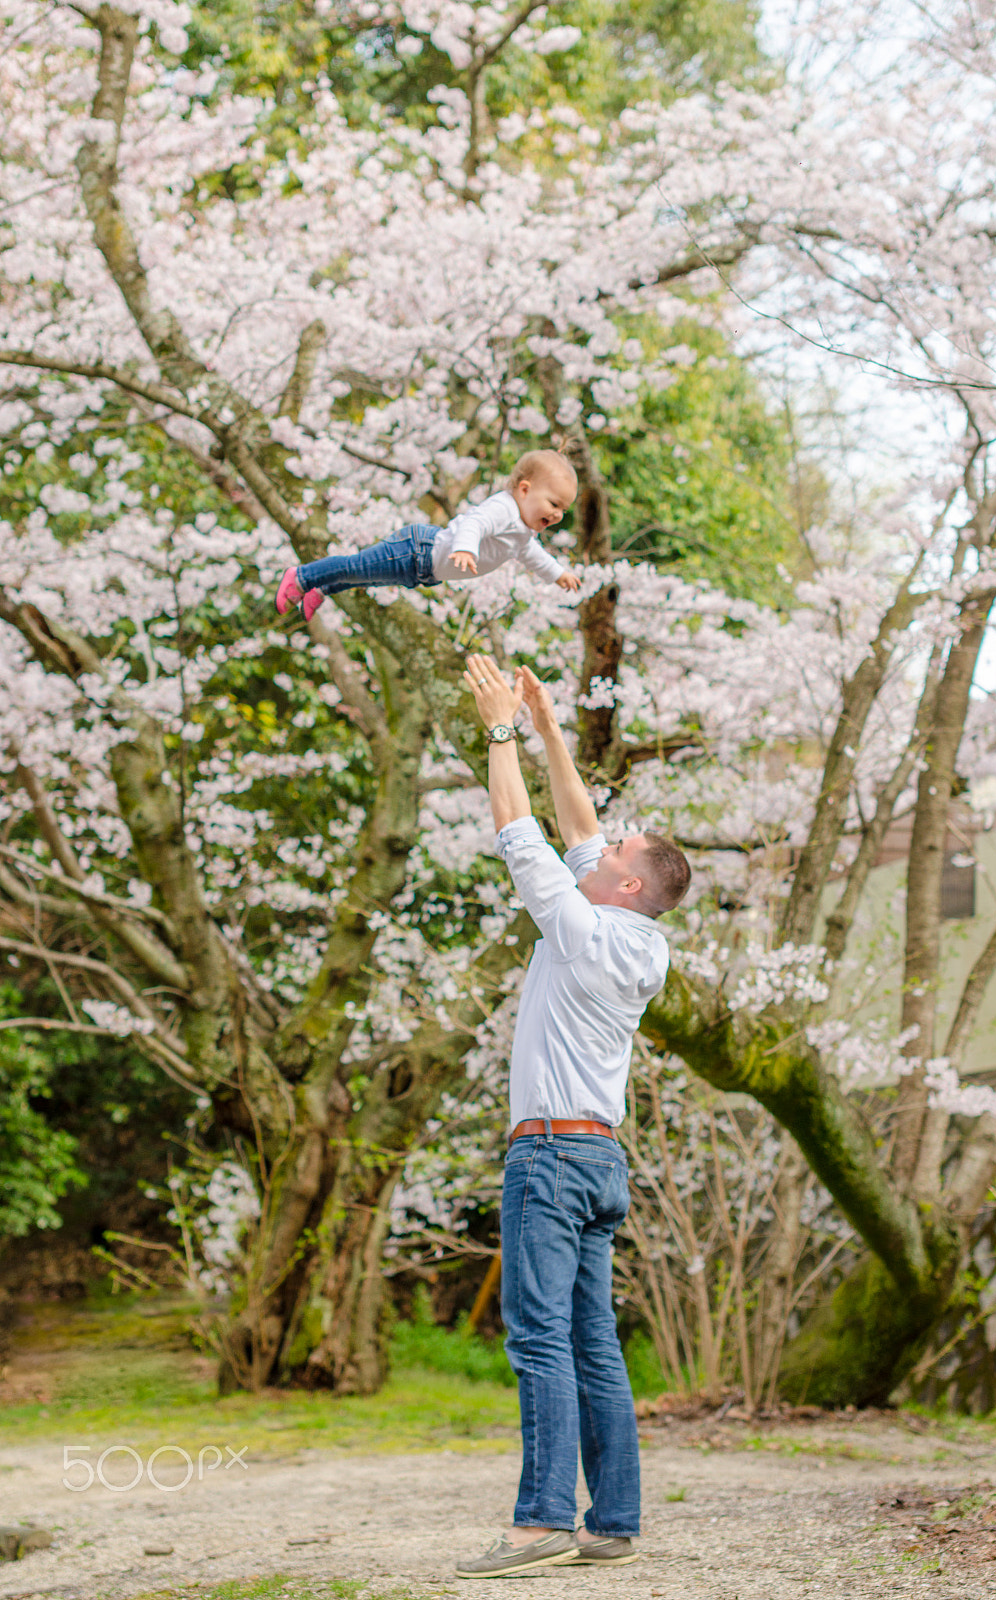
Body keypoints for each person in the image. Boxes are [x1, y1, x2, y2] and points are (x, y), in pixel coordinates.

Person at [454, 653, 691, 1581]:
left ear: (626, 885)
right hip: (599, 1163)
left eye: (619, 856)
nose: (605, 848)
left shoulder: (583, 928)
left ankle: (542, 1518)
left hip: (550, 1158)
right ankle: (614, 1519)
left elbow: (520, 833)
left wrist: (500, 731)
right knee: (592, 1337)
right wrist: (551, 728)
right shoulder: (638, 938)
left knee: (539, 1334)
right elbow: (578, 826)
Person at [275, 451, 582, 620]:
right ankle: (302, 576)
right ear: (524, 490)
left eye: (563, 510)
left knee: (366, 578)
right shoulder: (504, 509)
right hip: (416, 550)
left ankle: (320, 589)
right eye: (554, 504)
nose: (557, 515)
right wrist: (465, 549)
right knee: (357, 567)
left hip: (424, 569)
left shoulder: (523, 532)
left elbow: (533, 555)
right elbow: (473, 523)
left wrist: (558, 574)